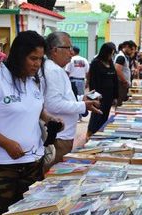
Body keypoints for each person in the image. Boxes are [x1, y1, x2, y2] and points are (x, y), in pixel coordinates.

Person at [0, 30, 61, 215]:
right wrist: (6, 143)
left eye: (41, 59)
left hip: (32, 164)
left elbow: (35, 108)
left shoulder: (33, 80)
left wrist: (50, 118)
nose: (37, 64)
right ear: (19, 56)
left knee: (28, 214)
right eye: (33, 58)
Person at [43, 31, 102, 165]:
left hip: (63, 135)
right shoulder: (53, 70)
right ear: (55, 50)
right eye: (68, 48)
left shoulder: (57, 69)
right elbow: (52, 104)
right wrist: (82, 105)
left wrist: (82, 99)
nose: (71, 52)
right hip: (59, 137)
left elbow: (62, 99)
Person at [87, 42, 118, 137]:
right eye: (111, 53)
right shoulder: (96, 63)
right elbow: (92, 81)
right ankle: (91, 134)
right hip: (99, 96)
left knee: (105, 115)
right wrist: (94, 96)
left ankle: (100, 134)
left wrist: (115, 96)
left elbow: (115, 79)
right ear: (105, 52)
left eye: (113, 54)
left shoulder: (110, 63)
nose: (112, 56)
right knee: (96, 115)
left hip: (109, 95)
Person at [115, 40, 137, 105]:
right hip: (121, 84)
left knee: (122, 103)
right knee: (120, 104)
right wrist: (124, 81)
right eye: (132, 49)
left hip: (123, 84)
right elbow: (117, 69)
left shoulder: (124, 56)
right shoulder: (121, 57)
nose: (133, 51)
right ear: (127, 47)